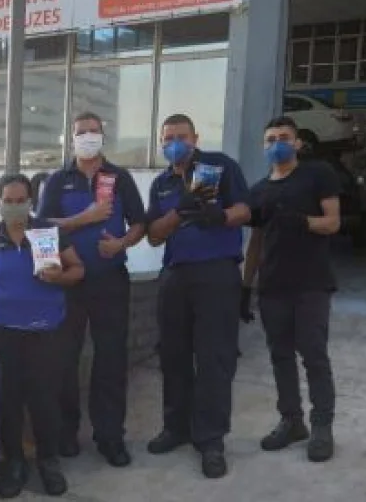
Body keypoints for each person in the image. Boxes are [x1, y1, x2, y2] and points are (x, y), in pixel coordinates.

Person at [143, 113, 251, 479]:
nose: (175, 143)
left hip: (216, 273)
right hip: (175, 275)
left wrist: (218, 216)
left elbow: (245, 210)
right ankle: (176, 427)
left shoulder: (219, 166)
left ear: (195, 138)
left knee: (213, 358)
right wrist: (180, 211)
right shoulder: (161, 184)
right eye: (168, 138)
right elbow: (154, 235)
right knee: (172, 355)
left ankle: (211, 439)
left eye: (181, 136)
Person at [0, 174, 86, 499]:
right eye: (8, 200)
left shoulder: (49, 233)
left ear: (31, 201)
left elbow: (78, 269)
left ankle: (48, 461)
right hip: (3, 334)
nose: (15, 206)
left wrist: (59, 276)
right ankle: (14, 464)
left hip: (47, 333)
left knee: (45, 401)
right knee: (8, 402)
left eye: (21, 200)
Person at [38, 112, 146, 467]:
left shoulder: (120, 177)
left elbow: (140, 223)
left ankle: (110, 437)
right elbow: (42, 226)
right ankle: (66, 433)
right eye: (81, 132)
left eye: (93, 131)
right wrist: (84, 218)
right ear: (71, 139)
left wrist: (122, 243)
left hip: (110, 281)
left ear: (103, 136)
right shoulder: (58, 180)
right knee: (63, 360)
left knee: (111, 360)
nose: (88, 136)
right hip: (68, 283)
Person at [241, 116, 340, 464]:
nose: (277, 144)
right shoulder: (258, 191)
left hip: (311, 284)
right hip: (272, 287)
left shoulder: (317, 175)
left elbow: (332, 222)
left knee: (313, 355)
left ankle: (322, 426)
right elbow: (255, 241)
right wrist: (245, 286)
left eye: (284, 137)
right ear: (263, 146)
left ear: (297, 143)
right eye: (270, 139)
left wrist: (302, 222)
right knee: (280, 356)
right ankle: (291, 421)